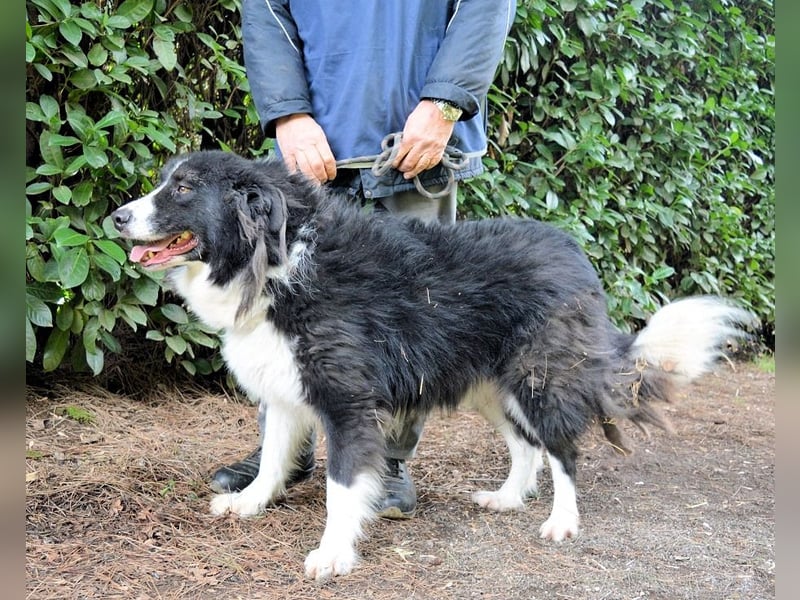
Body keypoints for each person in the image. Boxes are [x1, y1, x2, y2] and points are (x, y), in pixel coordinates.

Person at [210, 0, 516, 519]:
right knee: (283, 307)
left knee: (410, 313)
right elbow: (267, 10)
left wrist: (444, 102)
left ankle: (387, 460)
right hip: (312, 140)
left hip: (414, 143)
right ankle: (283, 455)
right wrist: (287, 112)